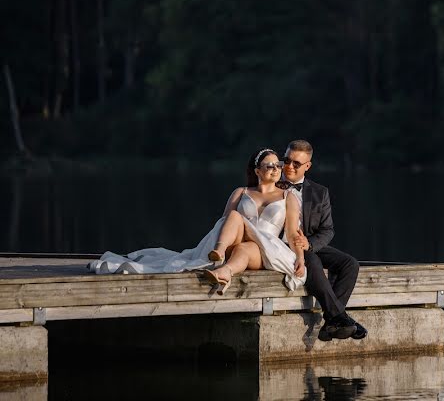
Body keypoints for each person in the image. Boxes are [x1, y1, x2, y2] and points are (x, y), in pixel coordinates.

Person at [89, 148, 307, 295]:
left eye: (277, 165)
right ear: (257, 170)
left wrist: (300, 258)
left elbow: (292, 233)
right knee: (233, 217)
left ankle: (225, 271)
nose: (276, 168)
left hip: (264, 250)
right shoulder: (241, 192)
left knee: (246, 247)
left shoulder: (288, 198)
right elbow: (222, 224)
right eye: (269, 165)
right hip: (233, 241)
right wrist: (220, 243)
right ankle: (219, 256)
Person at [277, 139, 366, 341]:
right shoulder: (270, 185)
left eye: (296, 164)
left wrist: (310, 244)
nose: (289, 166)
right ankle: (340, 317)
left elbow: (327, 230)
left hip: (307, 244)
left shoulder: (320, 192)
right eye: (286, 160)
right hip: (279, 244)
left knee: (349, 263)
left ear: (307, 166)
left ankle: (331, 321)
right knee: (313, 261)